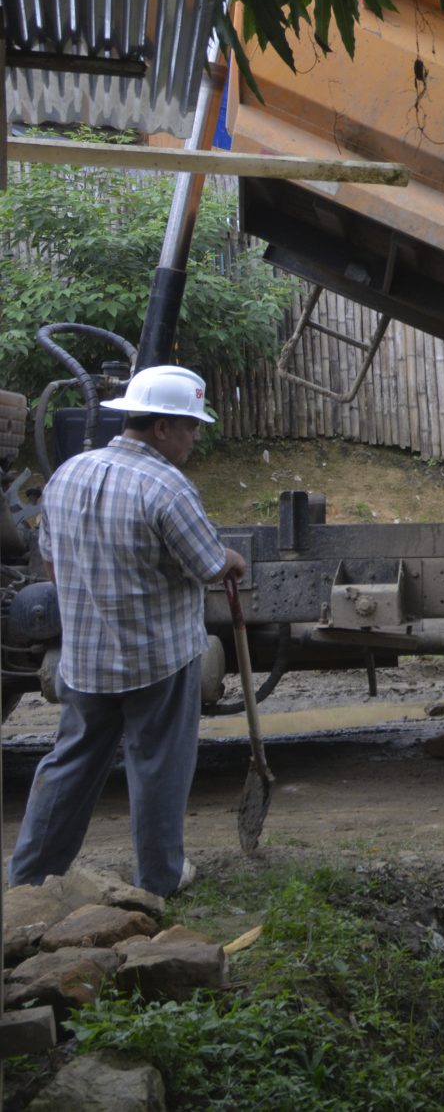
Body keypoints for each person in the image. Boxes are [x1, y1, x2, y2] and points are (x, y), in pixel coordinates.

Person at [8, 366, 247, 897]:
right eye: (189, 426)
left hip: (86, 659)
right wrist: (231, 558)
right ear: (161, 428)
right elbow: (209, 565)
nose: (195, 436)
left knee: (69, 763)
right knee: (159, 767)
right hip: (157, 659)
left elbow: (52, 563)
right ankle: (158, 881)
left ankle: (29, 882)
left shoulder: (69, 474)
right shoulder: (167, 487)